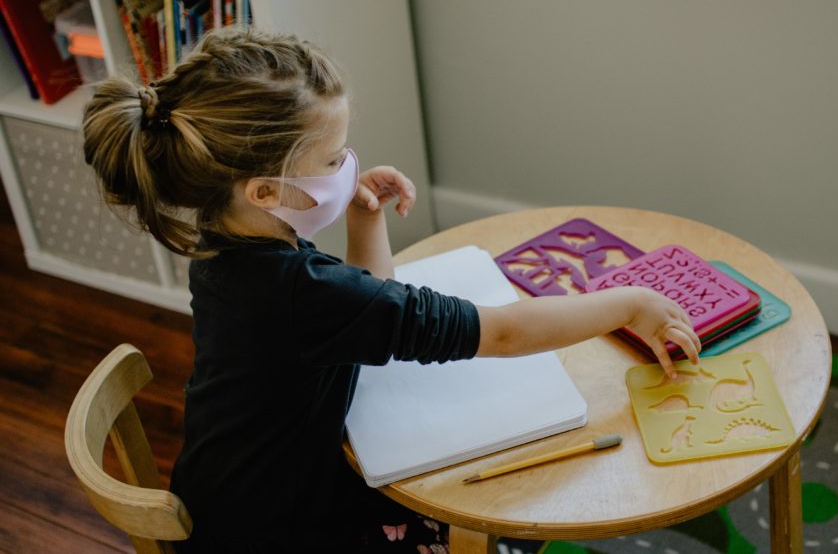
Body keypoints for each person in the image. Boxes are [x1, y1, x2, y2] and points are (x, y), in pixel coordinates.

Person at [82, 27, 700, 553]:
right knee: (504, 526)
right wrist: (630, 303)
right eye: (330, 162)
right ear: (265, 192)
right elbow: (505, 332)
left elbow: (362, 307)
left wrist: (362, 215)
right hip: (286, 527)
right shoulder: (298, 291)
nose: (346, 166)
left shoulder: (226, 245)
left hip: (235, 493)